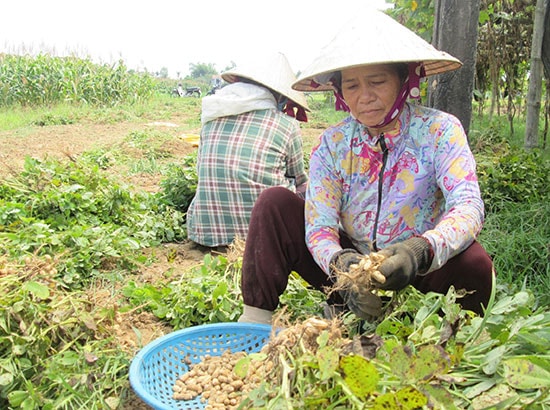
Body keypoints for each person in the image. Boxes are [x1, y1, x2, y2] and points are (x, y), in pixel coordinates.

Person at [238, 10, 495, 324]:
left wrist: (420, 251)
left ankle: (449, 333)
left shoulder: (439, 131)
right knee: (273, 204)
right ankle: (254, 322)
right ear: (340, 92)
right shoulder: (332, 145)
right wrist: (343, 264)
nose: (365, 97)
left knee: (475, 263)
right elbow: (320, 226)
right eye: (352, 86)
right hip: (350, 275)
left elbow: (468, 205)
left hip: (416, 270)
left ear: (405, 79)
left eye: (377, 81)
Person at [186, 52, 310, 248]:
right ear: (277, 94)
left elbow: (202, 171)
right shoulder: (287, 125)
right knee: (306, 192)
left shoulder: (210, 119)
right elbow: (300, 180)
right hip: (264, 237)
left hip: (205, 233)